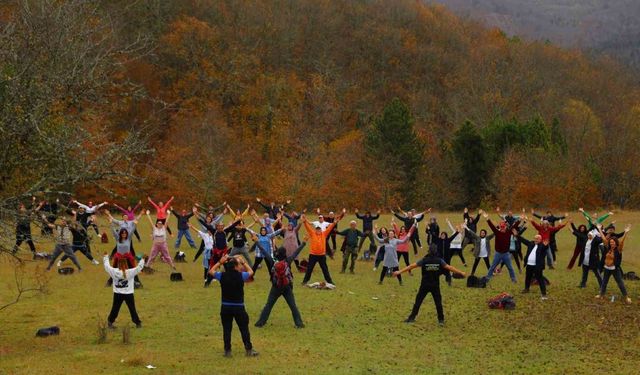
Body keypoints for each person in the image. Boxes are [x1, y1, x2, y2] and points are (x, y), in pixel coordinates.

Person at [394, 245, 466, 326]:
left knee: (418, 301)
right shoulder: (439, 261)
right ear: (436, 251)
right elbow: (449, 267)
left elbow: (411, 266)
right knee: (438, 302)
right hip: (435, 285)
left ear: (429, 251)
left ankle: (411, 318)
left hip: (424, 285)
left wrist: (399, 272)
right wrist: (461, 272)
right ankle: (441, 320)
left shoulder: (424, 260)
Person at [209, 255, 259, 357]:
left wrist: (220, 261)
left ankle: (227, 351)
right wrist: (244, 262)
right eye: (239, 265)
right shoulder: (241, 276)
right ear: (236, 266)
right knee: (244, 328)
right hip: (239, 307)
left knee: (227, 329)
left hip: (225, 306)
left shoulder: (222, 276)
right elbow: (251, 272)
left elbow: (211, 271)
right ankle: (248, 349)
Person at [254, 239, 308, 328]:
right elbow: (296, 252)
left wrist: (257, 242)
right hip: (287, 286)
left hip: (276, 287)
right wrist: (303, 243)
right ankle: (299, 323)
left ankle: (260, 323)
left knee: (269, 305)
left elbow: (263, 251)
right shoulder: (288, 260)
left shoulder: (272, 261)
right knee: (293, 306)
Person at [103, 253, 145, 329]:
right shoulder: (130, 272)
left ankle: (110, 322)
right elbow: (139, 267)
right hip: (128, 294)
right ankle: (138, 323)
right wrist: (142, 260)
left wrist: (106, 257)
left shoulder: (114, 271)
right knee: (132, 309)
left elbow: (107, 266)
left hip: (117, 294)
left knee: (115, 309)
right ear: (126, 264)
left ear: (118, 264)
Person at [301, 211, 343, 285]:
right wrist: (304, 222)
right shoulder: (312, 233)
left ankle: (330, 281)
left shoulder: (324, 234)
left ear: (321, 230)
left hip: (322, 256)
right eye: (317, 229)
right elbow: (308, 227)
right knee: (309, 269)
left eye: (319, 229)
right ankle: (305, 281)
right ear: (315, 230)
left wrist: (334, 223)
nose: (318, 230)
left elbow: (330, 228)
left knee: (325, 269)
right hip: (313, 255)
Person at [595, 224, 632, 304]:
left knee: (620, 283)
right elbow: (604, 238)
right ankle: (601, 294)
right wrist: (599, 229)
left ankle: (626, 297)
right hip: (607, 268)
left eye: (613, 242)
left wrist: (625, 233)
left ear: (616, 243)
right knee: (604, 282)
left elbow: (622, 242)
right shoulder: (607, 247)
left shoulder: (618, 249)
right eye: (611, 242)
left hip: (615, 269)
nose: (612, 244)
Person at [482, 211, 519, 284]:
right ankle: (488, 278)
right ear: (500, 227)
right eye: (501, 227)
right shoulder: (497, 232)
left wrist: (520, 220)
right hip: (498, 253)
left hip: (506, 254)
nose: (502, 229)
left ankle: (513, 279)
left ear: (505, 227)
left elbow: (514, 226)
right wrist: (487, 218)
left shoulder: (508, 232)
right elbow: (491, 226)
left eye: (503, 227)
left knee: (510, 268)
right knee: (492, 267)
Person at [514, 231, 550, 299]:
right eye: (535, 238)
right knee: (528, 277)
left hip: (537, 266)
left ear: (540, 240)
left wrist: (546, 245)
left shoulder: (542, 246)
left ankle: (544, 294)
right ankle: (526, 289)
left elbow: (545, 248)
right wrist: (517, 235)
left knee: (540, 279)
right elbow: (524, 240)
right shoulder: (531, 243)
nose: (536, 240)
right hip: (529, 265)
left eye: (537, 239)